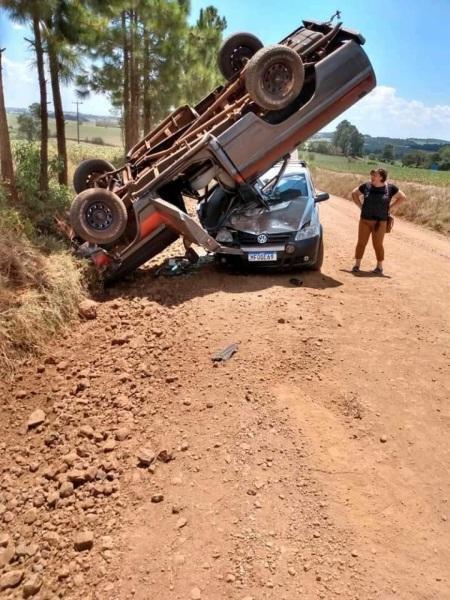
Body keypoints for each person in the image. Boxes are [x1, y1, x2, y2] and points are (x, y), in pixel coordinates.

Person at [351, 168, 406, 275]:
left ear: (381, 177)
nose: (372, 177)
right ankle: (357, 265)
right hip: (365, 220)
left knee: (378, 244)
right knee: (361, 243)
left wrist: (391, 208)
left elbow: (402, 197)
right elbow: (354, 193)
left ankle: (379, 267)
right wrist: (360, 206)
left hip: (380, 222)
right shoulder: (366, 186)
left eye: (374, 175)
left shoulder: (390, 188)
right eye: (372, 175)